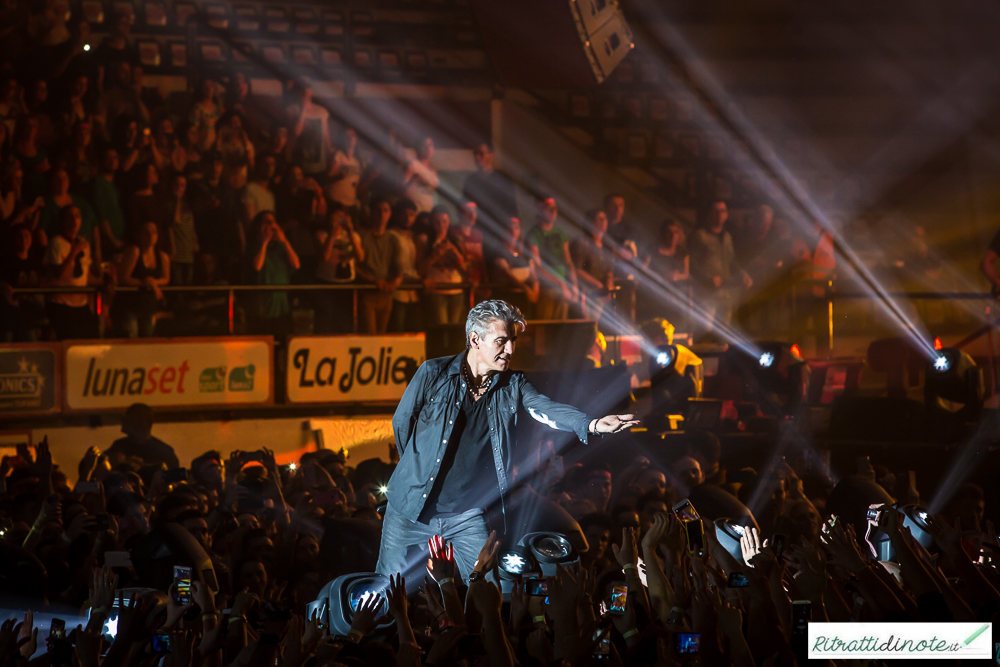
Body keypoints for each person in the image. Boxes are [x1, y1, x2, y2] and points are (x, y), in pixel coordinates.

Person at [376, 299, 638, 580]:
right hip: (409, 509)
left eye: (512, 341)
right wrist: (415, 470)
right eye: (501, 341)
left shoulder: (513, 385)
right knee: (387, 587)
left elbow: (546, 409)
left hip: (466, 517)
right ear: (475, 339)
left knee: (487, 588)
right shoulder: (433, 373)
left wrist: (592, 423)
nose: (510, 349)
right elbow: (402, 423)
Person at [690, 200, 751, 335]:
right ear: (709, 214)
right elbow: (692, 262)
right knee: (705, 329)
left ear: (726, 215)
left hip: (725, 291)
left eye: (722, 211)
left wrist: (743, 274)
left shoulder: (727, 237)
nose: (719, 214)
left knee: (725, 329)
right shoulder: (701, 236)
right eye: (715, 211)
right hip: (707, 292)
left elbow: (731, 260)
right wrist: (706, 278)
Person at [43, 204, 103, 338]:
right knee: (71, 339)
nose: (74, 220)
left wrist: (103, 280)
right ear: (63, 221)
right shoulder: (56, 243)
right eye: (70, 216)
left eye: (77, 216)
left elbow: (84, 277)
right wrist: (74, 251)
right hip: (61, 303)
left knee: (90, 337)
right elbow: (57, 274)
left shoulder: (84, 244)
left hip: (81, 303)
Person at [525, 194, 577, 320]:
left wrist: (574, 287)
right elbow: (536, 266)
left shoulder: (560, 233)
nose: (553, 211)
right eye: (549, 207)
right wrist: (560, 284)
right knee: (545, 327)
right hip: (546, 289)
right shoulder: (534, 234)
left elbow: (568, 262)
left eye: (555, 207)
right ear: (539, 209)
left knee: (561, 327)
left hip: (563, 291)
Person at [250, 210, 300, 340]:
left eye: (273, 222)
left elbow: (296, 264)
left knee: (283, 341)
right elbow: (257, 266)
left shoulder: (280, 246)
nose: (271, 225)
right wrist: (264, 243)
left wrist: (285, 241)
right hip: (264, 305)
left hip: (282, 303)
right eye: (267, 222)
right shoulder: (254, 247)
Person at [115, 220, 169, 337]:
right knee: (131, 342)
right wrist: (144, 282)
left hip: (149, 306)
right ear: (140, 235)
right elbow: (123, 278)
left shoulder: (162, 257)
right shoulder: (134, 251)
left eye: (153, 232)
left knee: (147, 342)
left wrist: (153, 282)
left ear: (157, 236)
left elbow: (166, 278)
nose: (150, 235)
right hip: (131, 305)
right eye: (146, 232)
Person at [313, 205, 363, 334]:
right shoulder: (321, 234)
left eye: (342, 217)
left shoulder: (354, 236)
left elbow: (361, 257)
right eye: (336, 216)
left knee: (345, 322)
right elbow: (325, 256)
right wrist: (333, 234)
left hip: (347, 284)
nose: (339, 220)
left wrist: (350, 231)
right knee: (324, 322)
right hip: (326, 283)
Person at [357, 199, 401, 334]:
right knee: (370, 335)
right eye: (378, 210)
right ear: (371, 213)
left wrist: (395, 282)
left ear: (390, 214)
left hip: (386, 294)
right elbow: (355, 267)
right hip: (368, 293)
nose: (382, 214)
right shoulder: (362, 236)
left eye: (385, 211)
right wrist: (373, 281)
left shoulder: (393, 239)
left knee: (383, 336)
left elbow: (399, 267)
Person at [419, 205, 466, 328]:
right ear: (432, 223)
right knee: (441, 327)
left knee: (455, 327)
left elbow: (464, 267)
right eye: (437, 222)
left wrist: (456, 254)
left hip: (456, 289)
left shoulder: (455, 240)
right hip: (437, 290)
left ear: (449, 222)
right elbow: (420, 268)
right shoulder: (425, 240)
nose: (441, 225)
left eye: (444, 221)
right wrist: (434, 256)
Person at [571, 208, 616, 328]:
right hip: (585, 292)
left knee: (597, 326)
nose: (604, 222)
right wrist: (598, 285)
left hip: (601, 295)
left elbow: (609, 273)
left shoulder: (607, 247)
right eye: (600, 219)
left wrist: (608, 290)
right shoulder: (582, 242)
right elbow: (577, 270)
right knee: (587, 325)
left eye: (605, 219)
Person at [105, 402, 180, 469]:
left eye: (129, 419)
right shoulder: (118, 446)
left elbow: (178, 478)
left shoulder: (165, 453)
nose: (123, 422)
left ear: (143, 423)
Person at [490, 216, 539, 317]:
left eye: (516, 227)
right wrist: (526, 288)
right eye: (509, 228)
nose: (513, 231)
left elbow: (533, 274)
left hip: (526, 302)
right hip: (508, 301)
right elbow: (507, 274)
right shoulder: (499, 252)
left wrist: (535, 288)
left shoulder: (524, 254)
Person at [462, 140, 516, 231]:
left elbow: (512, 211)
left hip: (499, 232)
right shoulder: (470, 180)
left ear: (491, 154)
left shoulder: (503, 180)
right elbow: (464, 206)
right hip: (476, 231)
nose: (477, 157)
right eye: (475, 153)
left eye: (481, 153)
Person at [388, 198, 421, 332]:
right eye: (404, 214)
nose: (408, 218)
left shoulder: (412, 237)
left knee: (414, 332)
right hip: (398, 291)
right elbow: (395, 266)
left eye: (411, 214)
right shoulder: (391, 235)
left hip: (413, 292)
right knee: (398, 331)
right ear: (397, 215)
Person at [403, 136, 439, 214]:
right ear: (418, 148)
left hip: (428, 211)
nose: (428, 148)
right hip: (415, 211)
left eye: (431, 145)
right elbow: (403, 190)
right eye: (425, 145)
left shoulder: (433, 169)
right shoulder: (412, 165)